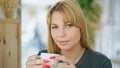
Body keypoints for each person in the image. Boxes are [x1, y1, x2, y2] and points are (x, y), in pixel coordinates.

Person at [26, 0, 112, 68]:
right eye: (55, 27)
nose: (61, 34)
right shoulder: (43, 58)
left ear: (80, 27)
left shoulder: (101, 63)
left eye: (68, 25)